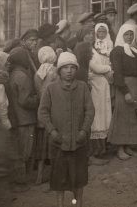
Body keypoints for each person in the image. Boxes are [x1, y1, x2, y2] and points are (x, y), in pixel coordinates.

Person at [38, 52, 94, 207]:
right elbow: (43, 112)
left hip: (79, 142)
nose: (69, 71)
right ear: (59, 70)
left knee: (79, 178)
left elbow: (90, 111)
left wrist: (83, 131)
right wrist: (52, 131)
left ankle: (78, 203)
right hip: (59, 143)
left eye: (72, 68)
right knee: (59, 178)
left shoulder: (82, 87)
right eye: (65, 68)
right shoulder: (51, 89)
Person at [108, 24, 137, 160]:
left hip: (136, 85)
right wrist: (125, 91)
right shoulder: (117, 51)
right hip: (124, 86)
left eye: (131, 34)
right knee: (122, 115)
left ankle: (128, 146)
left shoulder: (135, 51)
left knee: (133, 115)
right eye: (126, 34)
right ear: (121, 35)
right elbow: (118, 73)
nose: (129, 37)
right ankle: (119, 148)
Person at [7, 47, 39, 190]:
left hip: (18, 118)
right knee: (24, 152)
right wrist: (39, 98)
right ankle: (19, 182)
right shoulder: (22, 76)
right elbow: (25, 100)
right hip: (25, 119)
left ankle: (18, 181)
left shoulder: (13, 73)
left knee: (20, 150)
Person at [87, 23, 113, 165]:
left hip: (104, 84)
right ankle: (94, 151)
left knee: (104, 115)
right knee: (96, 116)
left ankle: (102, 149)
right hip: (95, 84)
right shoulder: (90, 51)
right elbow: (94, 67)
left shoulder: (107, 46)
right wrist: (108, 68)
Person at [34, 46, 58, 184]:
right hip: (53, 111)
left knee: (41, 145)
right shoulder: (54, 72)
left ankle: (39, 175)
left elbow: (39, 93)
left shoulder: (37, 73)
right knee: (53, 144)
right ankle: (54, 175)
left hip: (41, 111)